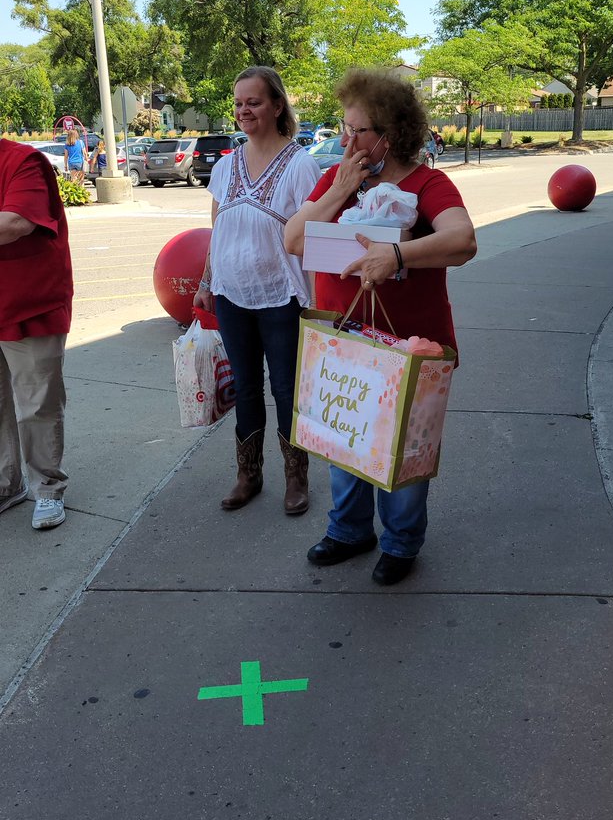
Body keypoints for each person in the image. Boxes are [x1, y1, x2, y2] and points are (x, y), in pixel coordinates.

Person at [285, 69, 477, 585]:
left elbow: (462, 240)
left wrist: (396, 254)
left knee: (404, 447)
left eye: (356, 131)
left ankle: (400, 541)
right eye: (344, 128)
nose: (345, 140)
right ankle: (350, 531)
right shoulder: (336, 179)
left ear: (388, 136)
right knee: (345, 435)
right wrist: (339, 189)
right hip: (345, 340)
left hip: (412, 344)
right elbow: (294, 240)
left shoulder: (427, 183)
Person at [193, 66, 320, 516]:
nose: (244, 110)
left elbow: (315, 234)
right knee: (246, 388)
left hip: (281, 294)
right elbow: (217, 227)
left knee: (286, 388)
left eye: (254, 101)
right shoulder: (226, 165)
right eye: (239, 102)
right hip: (231, 293)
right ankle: (249, 473)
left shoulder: (300, 163)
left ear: (277, 105)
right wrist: (207, 282)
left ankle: (295, 476)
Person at [0, 138, 74, 530]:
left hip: (30, 304)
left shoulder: (22, 161)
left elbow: (16, 223)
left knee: (37, 403)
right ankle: (6, 484)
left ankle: (47, 487)